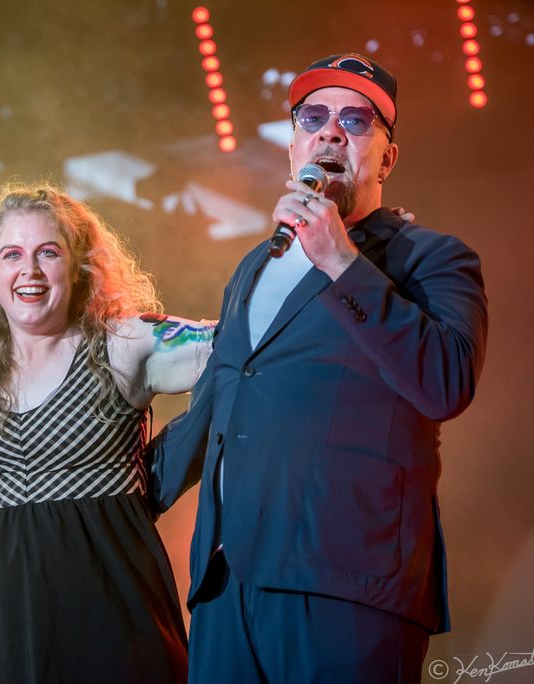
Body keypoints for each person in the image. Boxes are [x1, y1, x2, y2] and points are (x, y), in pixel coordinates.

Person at [150, 53, 489, 682]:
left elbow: (446, 383)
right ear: (294, 146)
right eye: (314, 116)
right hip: (227, 585)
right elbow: (218, 406)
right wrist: (101, 494)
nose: (332, 131)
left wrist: (341, 260)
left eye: (357, 120)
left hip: (346, 585)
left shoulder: (432, 259)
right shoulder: (254, 265)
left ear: (386, 159)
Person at [0, 184, 215, 683]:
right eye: (12, 254)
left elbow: (239, 350)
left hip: (113, 616)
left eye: (49, 252)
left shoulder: (122, 346)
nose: (30, 271)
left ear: (79, 264)